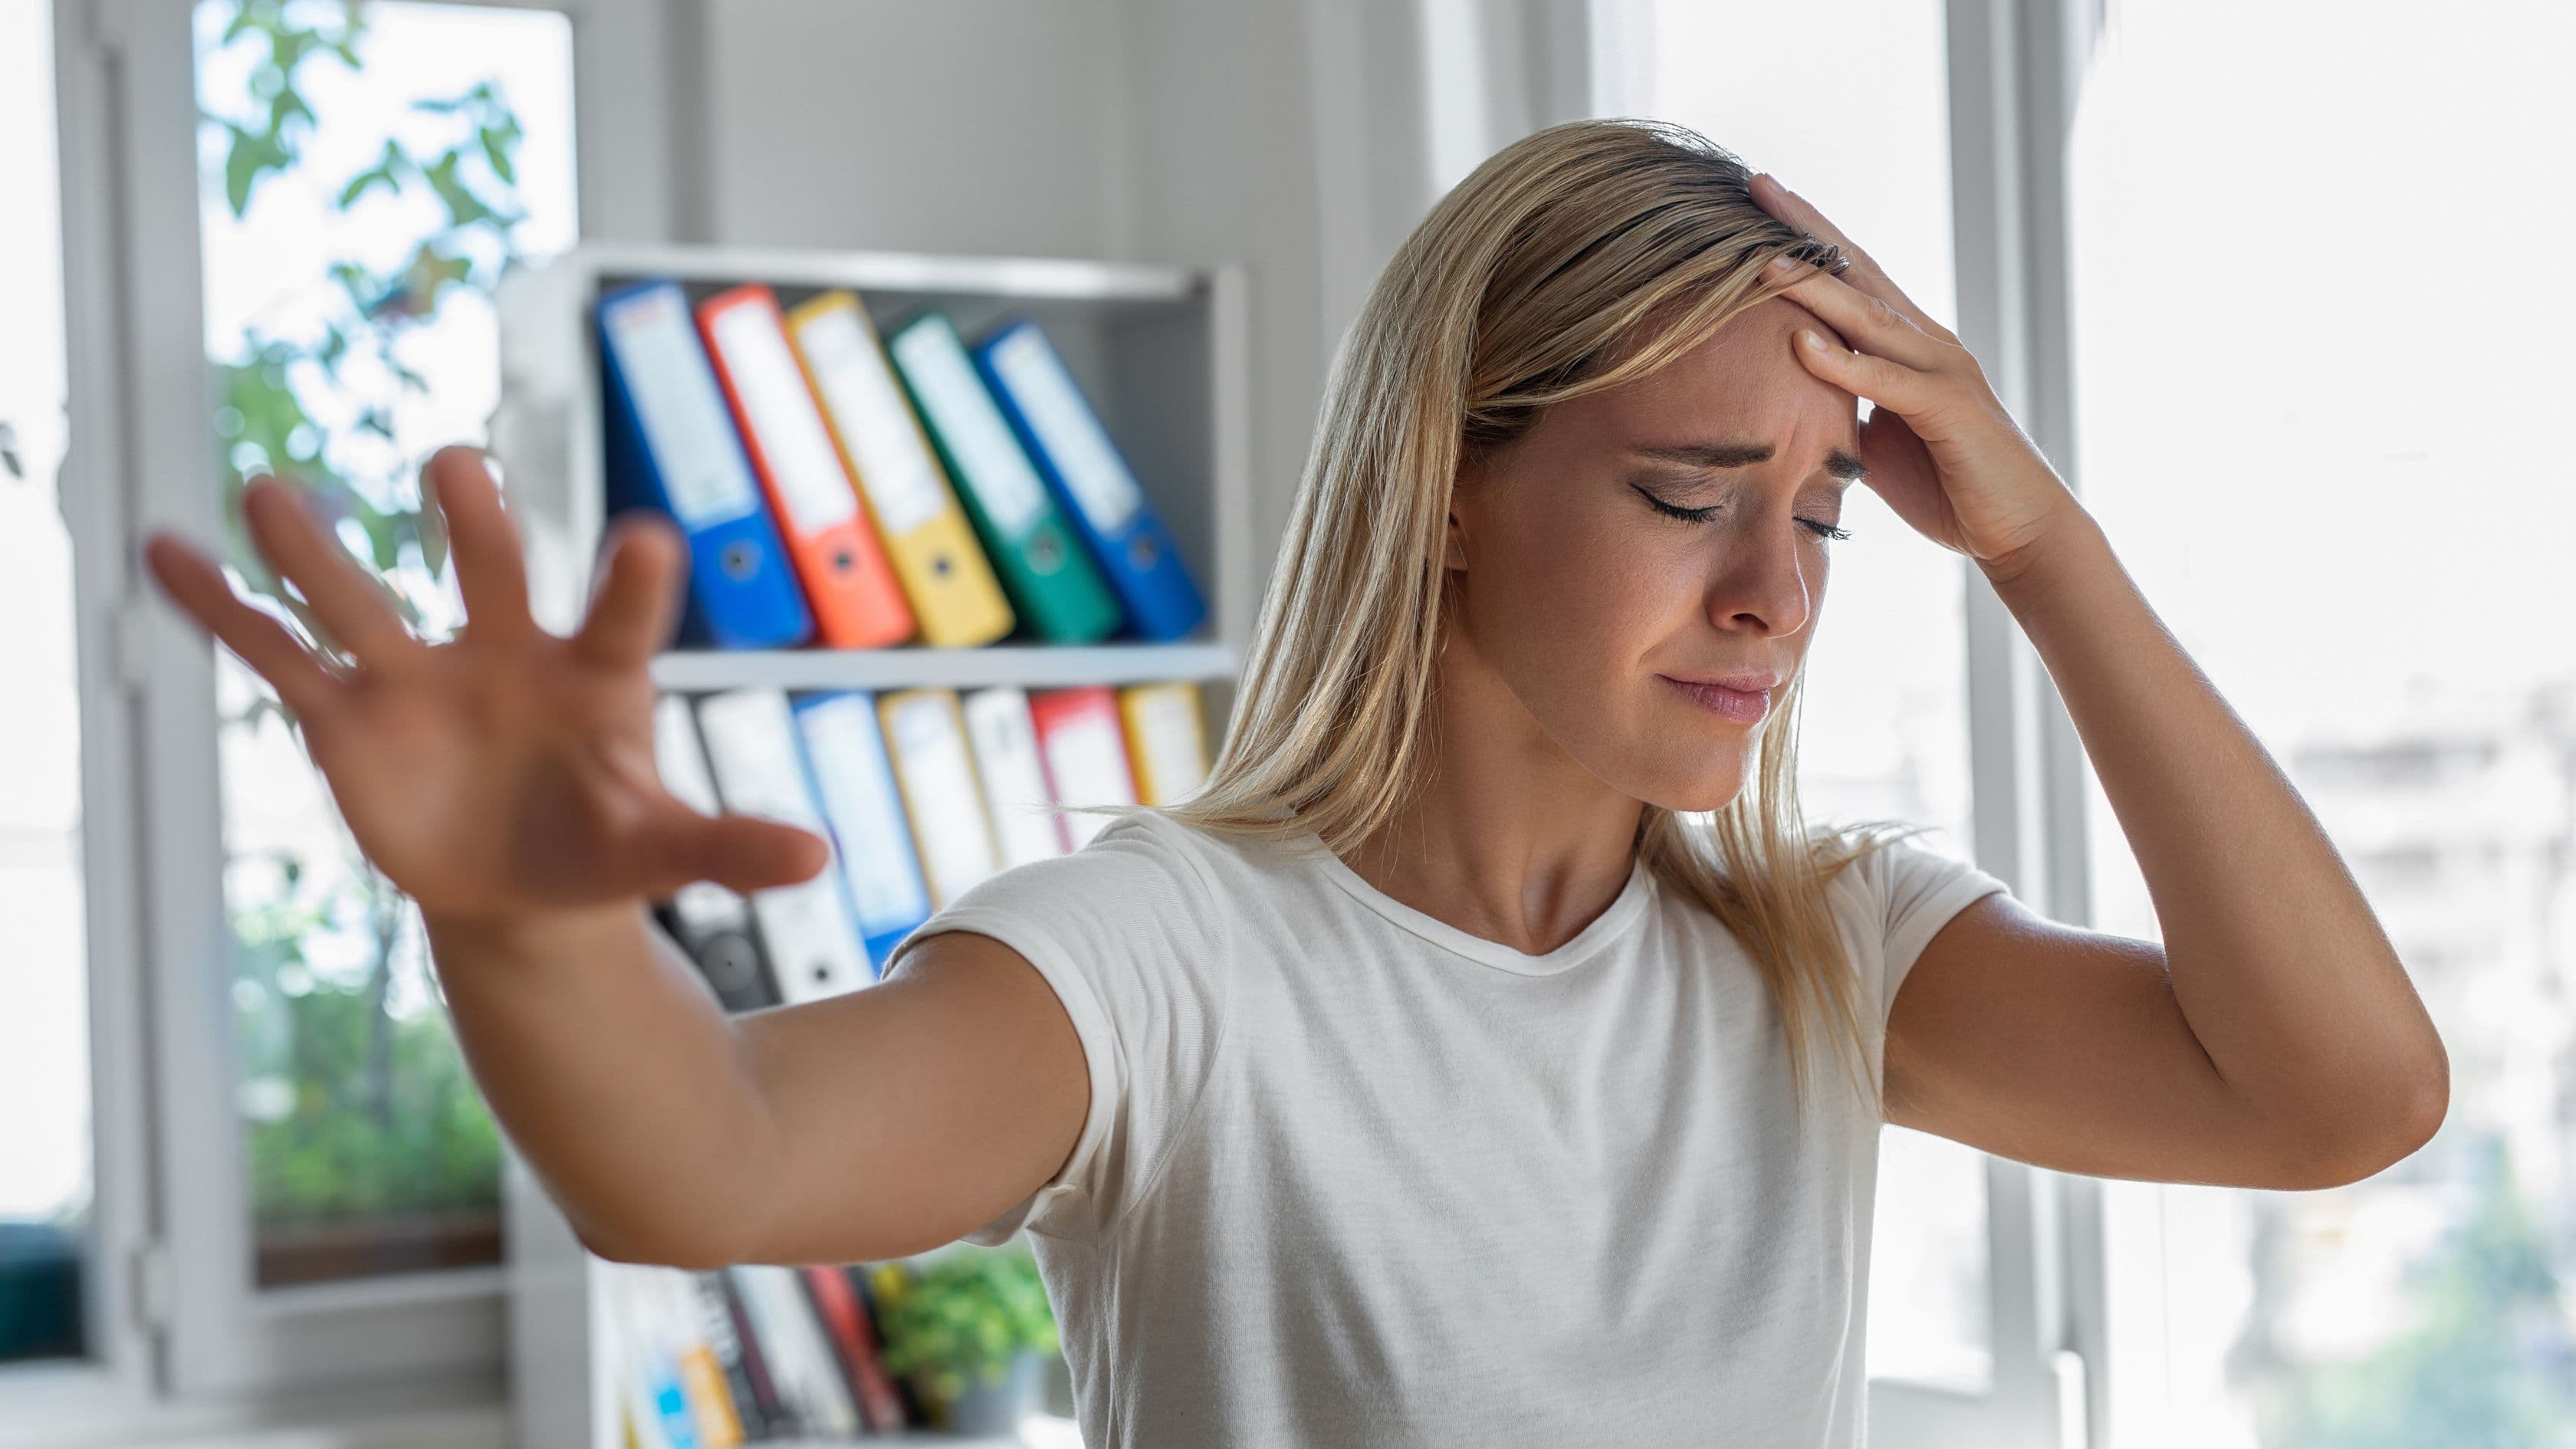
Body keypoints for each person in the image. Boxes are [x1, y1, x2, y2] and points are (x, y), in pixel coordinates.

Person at [142, 118, 2449, 1447]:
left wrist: (2043, 544)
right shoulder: (1180, 956)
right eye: (1688, 492)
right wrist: (523, 916)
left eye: (1828, 513)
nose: (1778, 589)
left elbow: (2339, 1094)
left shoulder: (1827, 951)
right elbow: (705, 1159)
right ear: (1449, 482)